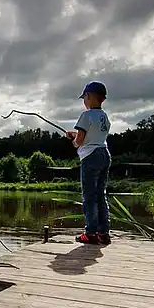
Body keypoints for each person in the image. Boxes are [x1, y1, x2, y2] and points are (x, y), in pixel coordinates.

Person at [66, 81, 112, 245]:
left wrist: (74, 140)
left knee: (89, 196)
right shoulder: (104, 117)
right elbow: (94, 135)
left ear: (89, 96)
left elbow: (80, 140)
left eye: (84, 97)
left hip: (90, 157)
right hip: (104, 154)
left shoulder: (86, 115)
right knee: (100, 194)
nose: (84, 101)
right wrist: (77, 134)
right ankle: (104, 233)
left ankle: (90, 233)